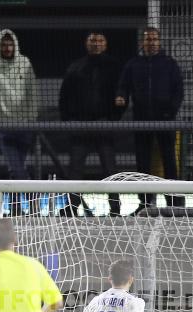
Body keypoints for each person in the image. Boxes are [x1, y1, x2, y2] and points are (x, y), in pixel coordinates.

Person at [115, 27, 184, 211]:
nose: (151, 42)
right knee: (143, 163)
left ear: (159, 42)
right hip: (142, 120)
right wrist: (121, 96)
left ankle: (175, 202)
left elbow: (178, 90)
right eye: (148, 39)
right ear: (142, 42)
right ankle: (145, 202)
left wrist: (171, 111)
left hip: (166, 121)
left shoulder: (170, 64)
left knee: (169, 161)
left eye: (154, 39)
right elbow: (123, 85)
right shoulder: (133, 64)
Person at [59, 31, 124, 216]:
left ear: (106, 44)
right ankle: (72, 206)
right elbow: (64, 97)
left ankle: (115, 209)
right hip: (80, 127)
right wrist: (68, 121)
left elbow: (122, 94)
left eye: (100, 40)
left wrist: (113, 119)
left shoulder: (114, 67)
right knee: (75, 170)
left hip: (105, 126)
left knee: (110, 170)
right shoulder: (76, 67)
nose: (96, 44)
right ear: (86, 44)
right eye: (92, 40)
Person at [0, 29, 38, 215]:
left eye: (10, 44)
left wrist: (33, 117)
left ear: (15, 45)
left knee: (16, 170)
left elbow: (32, 91)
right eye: (4, 45)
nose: (7, 48)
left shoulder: (24, 63)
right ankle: (33, 204)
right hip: (2, 125)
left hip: (25, 125)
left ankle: (16, 210)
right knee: (16, 169)